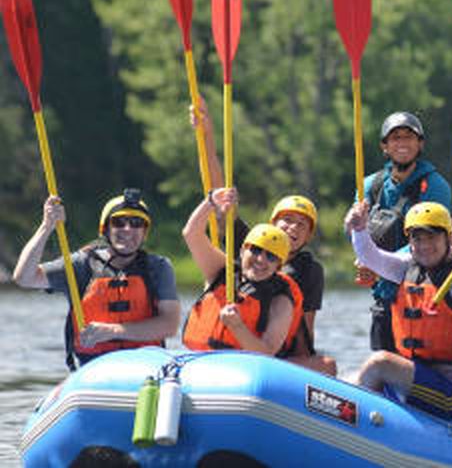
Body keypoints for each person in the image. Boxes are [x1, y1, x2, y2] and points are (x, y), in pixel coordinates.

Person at [190, 99, 335, 374]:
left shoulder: (309, 270)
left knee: (327, 366)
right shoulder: (250, 245)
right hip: (232, 345)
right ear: (272, 224)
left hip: (276, 351)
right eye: (287, 221)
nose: (292, 228)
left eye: (301, 226)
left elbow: (306, 326)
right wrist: (206, 135)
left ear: (307, 238)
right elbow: (217, 192)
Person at [344, 200, 452, 421]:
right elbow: (369, 257)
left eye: (432, 237)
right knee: (351, 378)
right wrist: (359, 229)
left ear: (448, 238)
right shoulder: (406, 267)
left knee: (380, 363)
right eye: (417, 238)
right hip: (416, 379)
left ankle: (355, 426)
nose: (424, 245)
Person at [13, 189, 180, 370]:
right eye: (118, 222)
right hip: (94, 368)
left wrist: (112, 331)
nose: (128, 229)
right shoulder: (81, 265)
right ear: (105, 229)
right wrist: (47, 226)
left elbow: (169, 325)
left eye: (136, 223)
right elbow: (25, 277)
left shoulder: (158, 267)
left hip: (146, 366)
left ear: (144, 232)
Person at [358, 111, 452, 352]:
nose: (403, 144)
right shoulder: (370, 185)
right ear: (385, 146)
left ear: (420, 144)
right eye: (395, 138)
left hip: (421, 290)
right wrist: (363, 260)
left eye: (409, 138)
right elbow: (354, 229)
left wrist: (378, 264)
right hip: (384, 294)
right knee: (382, 364)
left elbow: (431, 242)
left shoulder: (435, 186)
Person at [182, 188, 304, 355]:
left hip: (242, 367)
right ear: (242, 251)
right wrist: (211, 202)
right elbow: (191, 234)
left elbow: (268, 352)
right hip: (198, 357)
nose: (260, 260)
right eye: (255, 250)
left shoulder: (281, 300)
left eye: (271, 257)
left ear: (278, 266)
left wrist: (237, 326)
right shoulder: (221, 270)